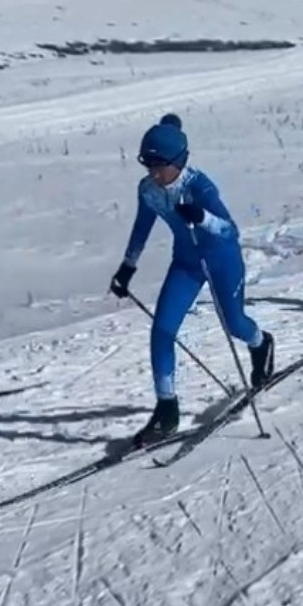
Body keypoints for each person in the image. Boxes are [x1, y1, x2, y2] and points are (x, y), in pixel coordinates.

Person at [109, 114, 276, 448]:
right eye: (149, 166)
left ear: (178, 161)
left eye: (160, 166)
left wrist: (202, 217)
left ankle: (261, 343)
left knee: (235, 325)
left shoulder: (199, 186)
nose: (154, 174)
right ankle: (167, 410)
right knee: (162, 330)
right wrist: (128, 267)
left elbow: (230, 231)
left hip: (221, 261)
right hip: (186, 264)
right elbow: (142, 227)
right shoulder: (148, 190)